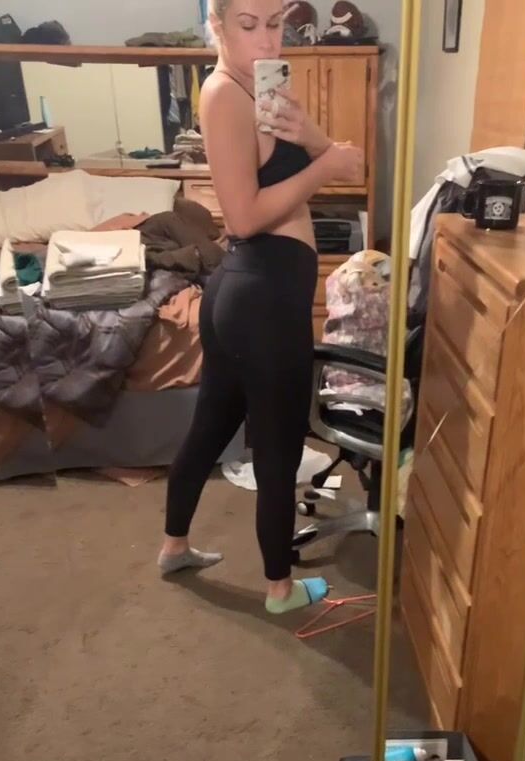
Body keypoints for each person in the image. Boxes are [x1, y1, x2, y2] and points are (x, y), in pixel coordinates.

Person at [158, 0, 363, 614]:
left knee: (210, 429)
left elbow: (351, 163)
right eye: (248, 25)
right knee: (278, 448)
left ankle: (174, 547)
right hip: (263, 299)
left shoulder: (261, 91)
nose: (267, 40)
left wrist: (311, 137)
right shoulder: (224, 95)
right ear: (217, 26)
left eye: (276, 24)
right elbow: (244, 216)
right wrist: (324, 166)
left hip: (248, 293)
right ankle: (280, 589)